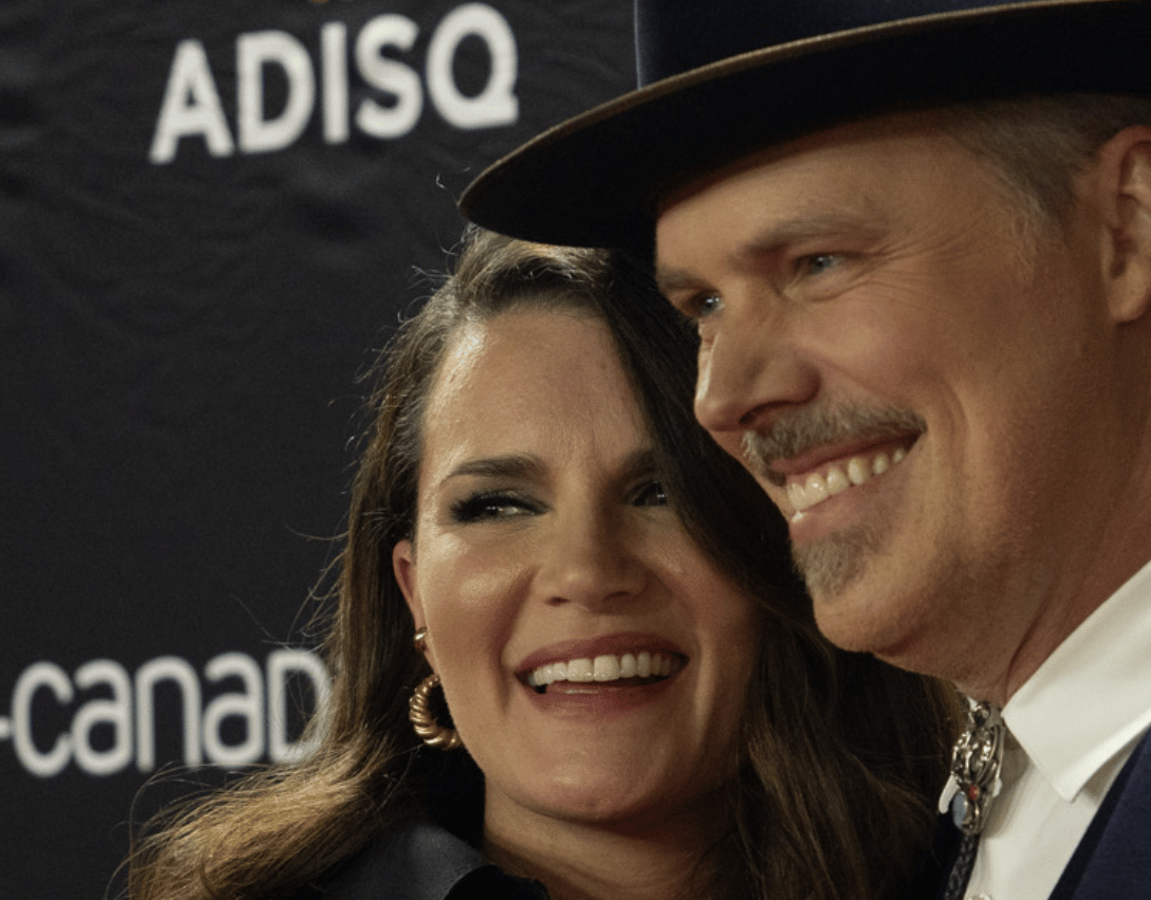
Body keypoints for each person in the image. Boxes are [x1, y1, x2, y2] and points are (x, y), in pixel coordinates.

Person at [456, 1, 1151, 897]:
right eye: (702, 307)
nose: (727, 394)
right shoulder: (943, 830)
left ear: (1128, 227)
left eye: (816, 265)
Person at [127, 227, 957, 900]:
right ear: (414, 592)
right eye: (499, 506)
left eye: (660, 492)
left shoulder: (997, 874)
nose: (587, 572)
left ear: (785, 546)